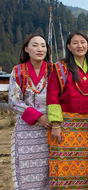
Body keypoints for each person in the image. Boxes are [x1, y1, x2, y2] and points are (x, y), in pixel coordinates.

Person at [47, 30, 88, 189]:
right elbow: (52, 96)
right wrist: (56, 124)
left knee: (85, 167)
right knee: (63, 165)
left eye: (83, 42)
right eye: (75, 43)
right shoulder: (60, 68)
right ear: (68, 46)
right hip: (65, 124)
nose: (79, 46)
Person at [9, 34, 52, 190]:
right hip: (27, 129)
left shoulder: (53, 70)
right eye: (35, 45)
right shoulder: (18, 71)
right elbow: (14, 101)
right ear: (26, 49)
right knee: (27, 171)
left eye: (43, 45)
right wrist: (39, 116)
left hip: (50, 127)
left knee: (49, 171)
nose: (40, 49)